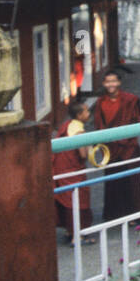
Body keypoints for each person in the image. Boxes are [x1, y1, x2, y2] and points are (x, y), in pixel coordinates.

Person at [92, 69, 140, 224]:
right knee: (114, 181)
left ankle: (138, 214)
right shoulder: (100, 102)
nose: (111, 84)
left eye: (114, 81)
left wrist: (128, 141)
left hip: (129, 146)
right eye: (108, 82)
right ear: (104, 84)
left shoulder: (130, 100)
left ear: (119, 83)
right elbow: (99, 125)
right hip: (111, 148)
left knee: (133, 179)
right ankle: (117, 214)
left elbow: (136, 122)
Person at [52, 99, 93, 242]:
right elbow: (82, 155)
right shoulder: (79, 130)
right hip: (72, 169)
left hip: (60, 168)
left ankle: (70, 232)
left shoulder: (67, 125)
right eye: (87, 111)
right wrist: (90, 146)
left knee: (67, 198)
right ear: (80, 115)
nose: (89, 113)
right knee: (77, 199)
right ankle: (78, 236)